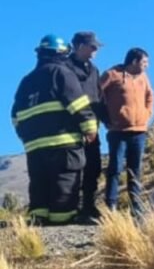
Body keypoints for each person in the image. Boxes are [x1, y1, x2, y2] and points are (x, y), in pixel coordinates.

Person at [11, 35, 98, 225]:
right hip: (63, 142)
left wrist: (27, 137)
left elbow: (15, 115)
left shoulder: (26, 81)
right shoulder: (62, 73)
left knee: (39, 184)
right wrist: (90, 129)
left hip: (34, 147)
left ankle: (38, 219)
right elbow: (78, 105)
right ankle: (61, 222)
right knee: (64, 183)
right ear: (61, 53)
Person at [101, 48, 154, 215]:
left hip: (139, 131)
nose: (147, 65)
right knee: (115, 168)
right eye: (144, 62)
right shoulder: (112, 74)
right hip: (118, 131)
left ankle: (136, 206)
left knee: (135, 169)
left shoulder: (143, 77)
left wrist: (147, 114)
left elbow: (150, 96)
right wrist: (106, 118)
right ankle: (111, 205)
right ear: (133, 61)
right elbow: (97, 96)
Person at [66, 32, 107, 221]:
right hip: (71, 129)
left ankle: (89, 206)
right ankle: (70, 209)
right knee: (73, 169)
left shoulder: (94, 70)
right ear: (80, 46)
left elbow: (98, 98)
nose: (96, 50)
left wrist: (108, 120)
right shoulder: (65, 68)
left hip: (93, 128)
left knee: (93, 167)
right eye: (92, 46)